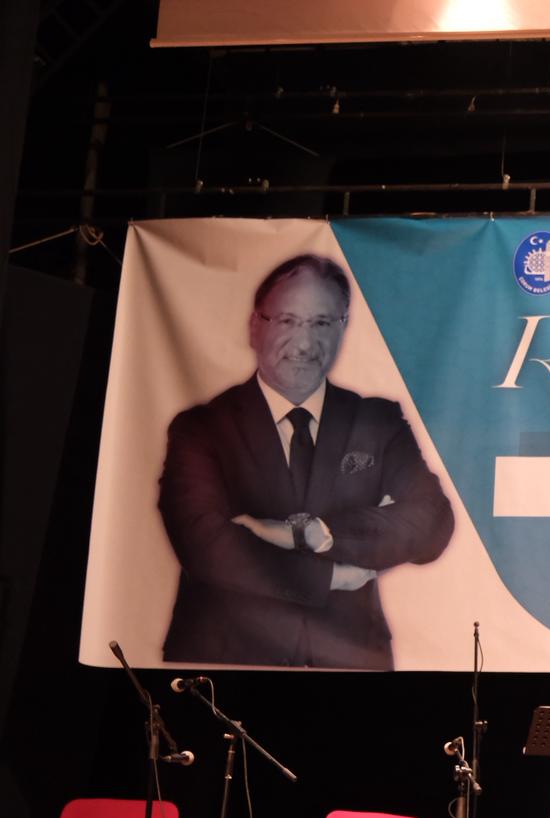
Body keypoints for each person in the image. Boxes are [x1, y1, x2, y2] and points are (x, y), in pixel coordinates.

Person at [158, 254, 455, 669]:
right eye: (287, 321)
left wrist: (317, 533)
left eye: (321, 323)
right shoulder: (201, 428)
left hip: (350, 666)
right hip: (228, 669)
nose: (303, 344)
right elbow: (205, 545)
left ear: (343, 328)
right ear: (254, 327)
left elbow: (433, 521)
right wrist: (331, 577)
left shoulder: (377, 420)